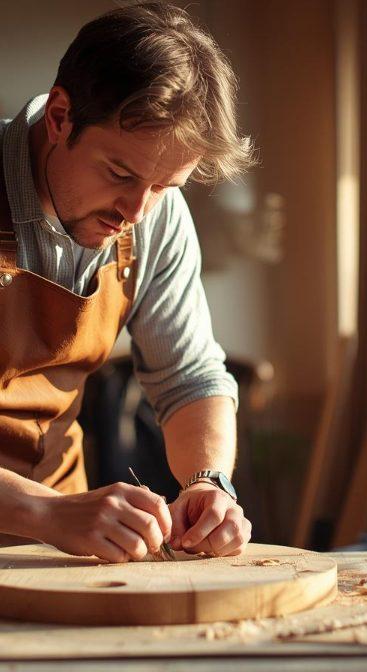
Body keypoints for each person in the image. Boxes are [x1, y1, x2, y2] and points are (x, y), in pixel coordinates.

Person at [0, 1, 255, 562]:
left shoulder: (153, 212)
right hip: (47, 520)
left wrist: (209, 483)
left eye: (166, 185)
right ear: (61, 116)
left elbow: (188, 376)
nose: (136, 211)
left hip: (54, 553)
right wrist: (39, 511)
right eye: (120, 173)